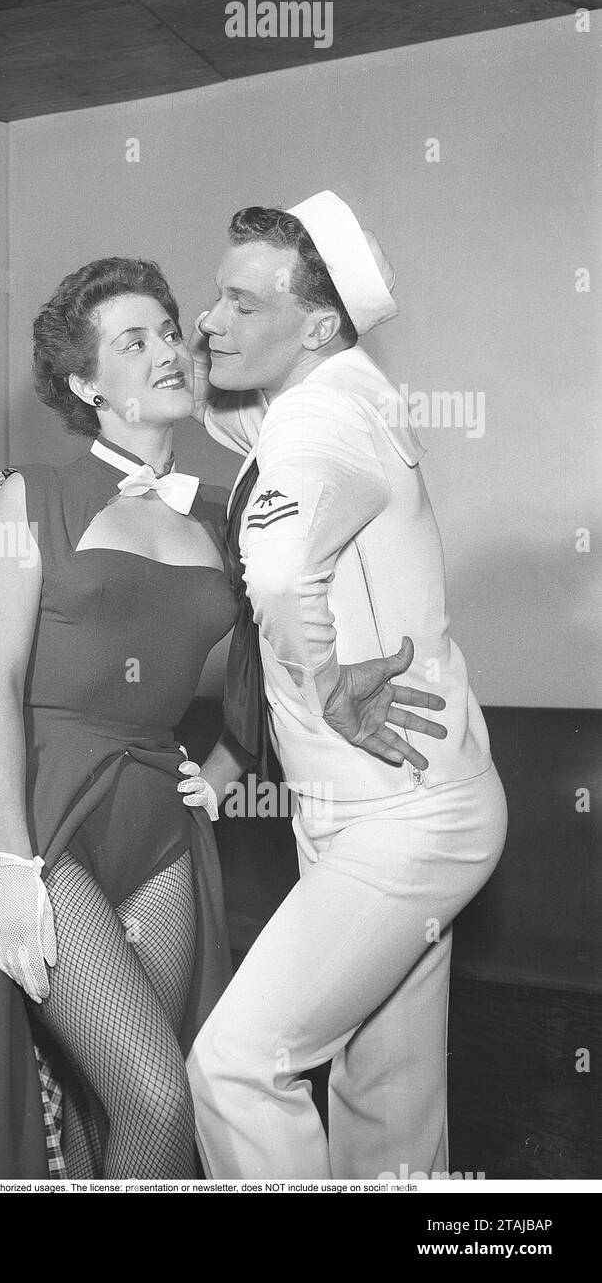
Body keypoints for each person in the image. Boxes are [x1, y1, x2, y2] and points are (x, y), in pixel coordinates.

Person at [0, 257, 249, 1179]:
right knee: (155, 1094)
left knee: (118, 1107)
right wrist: (10, 861)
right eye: (133, 341)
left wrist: (228, 765)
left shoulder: (221, 512)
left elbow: (272, 654)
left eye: (170, 331)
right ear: (86, 383)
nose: (167, 350)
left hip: (159, 821)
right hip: (49, 808)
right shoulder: (30, 495)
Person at [183, 191, 508, 1179]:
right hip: (405, 804)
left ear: (316, 323)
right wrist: (202, 362)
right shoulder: (345, 395)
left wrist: (323, 678)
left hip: (394, 820)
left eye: (241, 302)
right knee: (386, 1114)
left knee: (238, 1065)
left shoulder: (318, 423)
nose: (210, 320)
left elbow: (280, 574)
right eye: (214, 299)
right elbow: (239, 427)